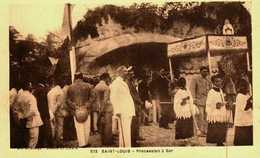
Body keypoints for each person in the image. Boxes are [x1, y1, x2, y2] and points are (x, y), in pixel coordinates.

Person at [110, 66, 136, 147]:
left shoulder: (123, 82)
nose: (127, 73)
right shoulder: (116, 83)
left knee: (126, 132)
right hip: (122, 111)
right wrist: (117, 111)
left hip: (127, 110)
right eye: (125, 71)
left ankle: (124, 148)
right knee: (125, 132)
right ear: (120, 73)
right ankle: (126, 148)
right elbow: (113, 98)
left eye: (126, 71)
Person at [206, 74, 232, 146]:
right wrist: (215, 105)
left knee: (221, 127)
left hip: (221, 111)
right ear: (213, 83)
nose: (219, 83)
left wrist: (225, 104)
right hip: (215, 113)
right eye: (217, 81)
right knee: (216, 127)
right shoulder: (211, 92)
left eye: (220, 81)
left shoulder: (220, 90)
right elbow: (208, 103)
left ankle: (220, 141)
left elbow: (222, 100)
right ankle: (218, 141)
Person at [16, 82, 43, 148]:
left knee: (28, 140)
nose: (31, 87)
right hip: (33, 121)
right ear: (28, 86)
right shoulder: (31, 97)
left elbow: (16, 109)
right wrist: (24, 116)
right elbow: (33, 111)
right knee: (33, 141)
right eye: (30, 85)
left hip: (25, 121)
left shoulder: (19, 97)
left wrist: (21, 117)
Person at [174, 78, 198, 146]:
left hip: (188, 110)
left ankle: (188, 139)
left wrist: (191, 104)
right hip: (182, 111)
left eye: (184, 82)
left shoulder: (188, 90)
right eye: (182, 83)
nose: (183, 84)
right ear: (179, 84)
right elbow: (177, 102)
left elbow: (191, 99)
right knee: (183, 125)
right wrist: (183, 101)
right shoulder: (178, 92)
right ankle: (183, 139)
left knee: (188, 125)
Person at [190, 66, 212, 136]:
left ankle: (205, 130)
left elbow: (210, 89)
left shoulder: (208, 79)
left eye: (206, 71)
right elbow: (192, 89)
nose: (205, 73)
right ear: (200, 72)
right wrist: (193, 99)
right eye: (204, 71)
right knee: (200, 116)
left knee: (207, 117)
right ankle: (199, 131)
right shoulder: (195, 79)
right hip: (199, 101)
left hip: (207, 101)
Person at [126, 69, 145, 147]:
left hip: (135, 105)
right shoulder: (128, 84)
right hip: (133, 105)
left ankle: (135, 137)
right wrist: (139, 101)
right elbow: (133, 95)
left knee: (136, 123)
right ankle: (133, 141)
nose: (132, 75)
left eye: (133, 73)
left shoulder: (131, 83)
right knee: (133, 124)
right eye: (131, 73)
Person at [93, 73, 113, 146]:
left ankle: (103, 140)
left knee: (102, 125)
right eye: (108, 78)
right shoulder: (106, 87)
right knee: (108, 125)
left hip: (98, 108)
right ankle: (108, 141)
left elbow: (95, 99)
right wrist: (102, 110)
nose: (109, 79)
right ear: (106, 78)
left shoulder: (96, 87)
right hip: (106, 108)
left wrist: (99, 110)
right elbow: (105, 100)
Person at [233, 79, 253, 145]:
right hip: (242, 120)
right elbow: (244, 108)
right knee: (242, 136)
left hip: (248, 118)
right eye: (241, 86)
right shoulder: (239, 96)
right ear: (238, 88)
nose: (244, 88)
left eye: (245, 86)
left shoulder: (247, 95)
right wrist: (250, 100)